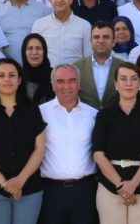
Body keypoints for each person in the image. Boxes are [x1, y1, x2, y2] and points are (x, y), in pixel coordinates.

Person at [0, 58, 46, 224]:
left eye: (12, 75)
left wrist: (20, 180)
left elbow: (40, 148)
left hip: (29, 191)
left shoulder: (32, 110)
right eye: (1, 76)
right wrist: (5, 184)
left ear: (19, 80)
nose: (7, 79)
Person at [92, 62, 140, 224]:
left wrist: (134, 183)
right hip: (110, 186)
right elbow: (98, 155)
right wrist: (121, 186)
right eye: (123, 79)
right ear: (116, 84)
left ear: (139, 83)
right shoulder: (104, 115)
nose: (129, 83)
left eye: (133, 79)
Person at [39, 64, 99, 224]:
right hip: (51, 192)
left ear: (79, 84)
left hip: (85, 191)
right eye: (60, 81)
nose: (66, 86)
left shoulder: (93, 115)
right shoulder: (40, 113)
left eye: (72, 81)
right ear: (53, 86)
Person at [31, 0, 92, 66]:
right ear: (50, 0)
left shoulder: (85, 26)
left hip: (76, 74)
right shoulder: (39, 25)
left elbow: (88, 59)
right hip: (48, 74)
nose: (59, 0)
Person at [74, 21, 124, 110]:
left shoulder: (123, 67)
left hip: (115, 116)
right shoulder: (76, 68)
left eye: (106, 37)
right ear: (90, 41)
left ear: (114, 41)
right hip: (85, 116)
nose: (101, 41)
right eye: (96, 37)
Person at [20, 33, 54, 104]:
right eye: (30, 48)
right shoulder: (18, 77)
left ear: (44, 51)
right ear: (24, 52)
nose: (34, 52)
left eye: (38, 48)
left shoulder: (54, 76)